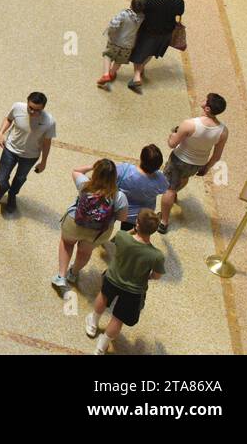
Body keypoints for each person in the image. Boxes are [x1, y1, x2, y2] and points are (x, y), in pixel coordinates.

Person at [85, 209, 166, 355]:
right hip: (134, 290)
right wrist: (148, 277)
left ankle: (92, 324)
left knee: (103, 297)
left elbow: (117, 239)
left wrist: (133, 230)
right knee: (118, 318)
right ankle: (101, 346)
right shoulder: (156, 255)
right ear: (154, 231)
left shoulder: (122, 236)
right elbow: (157, 275)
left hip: (113, 278)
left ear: (137, 223)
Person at [53, 159, 129, 290]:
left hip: (75, 223)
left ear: (96, 172)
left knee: (67, 244)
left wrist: (91, 166)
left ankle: (61, 276)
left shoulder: (84, 185)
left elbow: (76, 170)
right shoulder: (119, 196)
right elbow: (123, 218)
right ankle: (73, 273)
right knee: (84, 252)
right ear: (114, 177)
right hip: (98, 232)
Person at [159, 93, 228, 234]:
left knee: (169, 189)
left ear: (207, 109)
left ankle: (163, 221)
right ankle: (175, 193)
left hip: (179, 160)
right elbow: (216, 156)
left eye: (205, 100)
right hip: (198, 163)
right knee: (184, 179)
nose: (203, 100)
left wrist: (171, 136)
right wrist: (206, 168)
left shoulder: (190, 124)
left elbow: (172, 144)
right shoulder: (223, 131)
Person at [0, 93, 55, 212]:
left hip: (30, 156)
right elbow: (8, 119)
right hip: (10, 149)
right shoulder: (17, 107)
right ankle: (2, 189)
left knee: (20, 178)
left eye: (37, 110)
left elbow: (47, 143)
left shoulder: (49, 122)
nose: (32, 112)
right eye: (30, 107)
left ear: (43, 108)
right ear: (27, 102)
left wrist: (44, 162)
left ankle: (12, 195)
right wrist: (0, 133)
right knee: (0, 177)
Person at [126, 0, 184, 92]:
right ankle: (141, 68)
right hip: (165, 35)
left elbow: (138, 7)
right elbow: (180, 12)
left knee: (140, 53)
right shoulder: (179, 1)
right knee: (150, 53)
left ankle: (137, 75)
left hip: (148, 32)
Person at [116, 145, 169, 231]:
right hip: (142, 215)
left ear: (141, 159)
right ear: (158, 166)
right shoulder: (160, 178)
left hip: (122, 209)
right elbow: (164, 189)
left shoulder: (125, 170)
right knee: (129, 232)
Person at [97, 0, 145, 89]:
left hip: (116, 41)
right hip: (129, 44)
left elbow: (113, 24)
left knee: (108, 55)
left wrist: (110, 34)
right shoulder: (142, 18)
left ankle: (106, 74)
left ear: (131, 5)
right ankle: (112, 73)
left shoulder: (124, 14)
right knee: (119, 60)